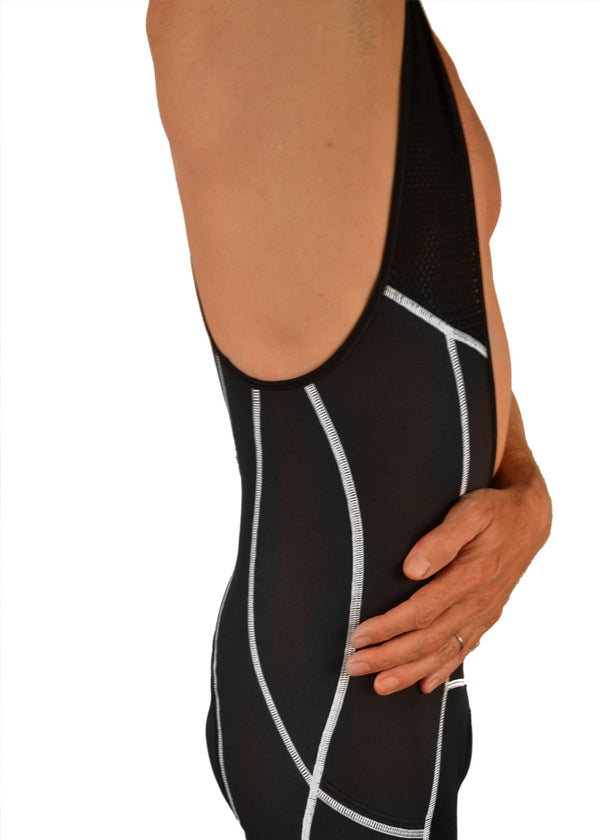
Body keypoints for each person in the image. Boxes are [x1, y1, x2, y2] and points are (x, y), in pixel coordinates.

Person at [145, 2, 552, 837]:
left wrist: (522, 480)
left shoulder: (400, 32)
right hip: (333, 726)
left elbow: (449, 333)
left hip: (394, 705)